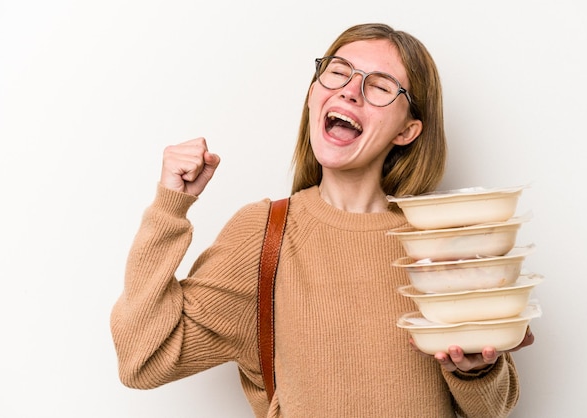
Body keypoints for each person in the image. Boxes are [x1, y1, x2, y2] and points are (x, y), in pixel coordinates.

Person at [111, 23, 534, 417]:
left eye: (380, 86)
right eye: (338, 73)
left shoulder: (440, 238)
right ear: (315, 94)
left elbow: (491, 408)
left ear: (407, 131)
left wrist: (476, 369)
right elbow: (142, 361)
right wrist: (170, 208)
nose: (351, 92)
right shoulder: (265, 234)